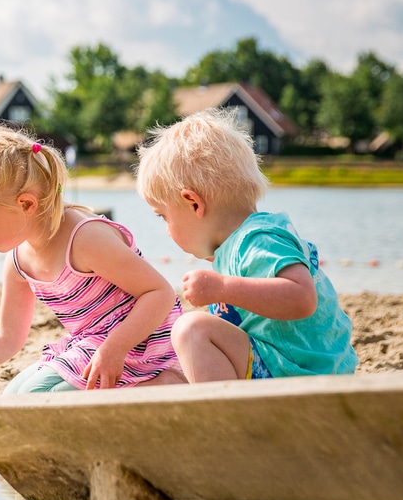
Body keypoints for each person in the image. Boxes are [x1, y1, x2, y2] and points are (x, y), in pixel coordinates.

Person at [0, 126, 183, 395]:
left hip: (142, 343)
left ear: (26, 205)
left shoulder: (85, 239)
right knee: (14, 395)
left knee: (41, 397)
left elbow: (160, 293)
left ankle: (163, 383)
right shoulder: (19, 262)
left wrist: (115, 348)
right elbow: (7, 337)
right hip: (92, 344)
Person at [135, 108, 358, 382]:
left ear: (194, 203)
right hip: (291, 367)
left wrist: (222, 287)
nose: (167, 231)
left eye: (164, 217)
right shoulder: (239, 244)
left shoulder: (257, 240)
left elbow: (302, 297)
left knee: (191, 329)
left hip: (300, 375)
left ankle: (225, 420)